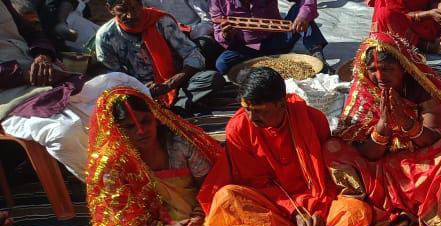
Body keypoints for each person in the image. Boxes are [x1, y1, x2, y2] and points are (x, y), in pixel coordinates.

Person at [198, 67, 373, 226]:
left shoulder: (313, 120)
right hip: (274, 208)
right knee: (226, 197)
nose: (252, 118)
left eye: (260, 111)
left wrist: (319, 214)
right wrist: (295, 215)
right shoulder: (238, 129)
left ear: (281, 103)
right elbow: (257, 183)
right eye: (247, 109)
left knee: (357, 211)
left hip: (317, 201)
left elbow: (329, 175)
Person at [325, 33, 441, 226]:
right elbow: (365, 153)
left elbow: (435, 136)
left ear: (403, 66)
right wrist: (383, 125)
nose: (380, 78)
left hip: (425, 161)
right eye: (373, 70)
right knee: (331, 149)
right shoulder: (362, 91)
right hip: (382, 171)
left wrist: (406, 122)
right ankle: (420, 195)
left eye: (387, 69)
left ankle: (403, 202)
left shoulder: (420, 87)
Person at [85, 87, 221, 226]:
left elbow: (210, 186)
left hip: (200, 223)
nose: (141, 131)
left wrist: (197, 218)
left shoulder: (179, 146)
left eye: (145, 121)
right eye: (130, 126)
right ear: (116, 129)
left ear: (156, 117)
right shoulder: (112, 165)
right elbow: (123, 219)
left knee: (234, 208)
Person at [95, 0, 235, 115]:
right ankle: (175, 109)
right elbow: (111, 77)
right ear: (110, 9)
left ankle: (167, 111)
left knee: (211, 78)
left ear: (140, 3)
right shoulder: (105, 37)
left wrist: (169, 84)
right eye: (122, 10)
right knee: (117, 106)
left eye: (134, 8)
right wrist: (139, 88)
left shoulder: (161, 21)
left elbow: (193, 55)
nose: (130, 15)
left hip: (176, 83)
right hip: (139, 93)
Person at [208, 0, 327, 75]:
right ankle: (260, 61)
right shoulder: (218, 2)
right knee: (222, 64)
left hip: (277, 39)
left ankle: (318, 56)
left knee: (302, 13)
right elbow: (219, 33)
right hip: (246, 47)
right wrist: (226, 34)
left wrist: (302, 17)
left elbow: (307, 2)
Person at [0, 0, 70, 114]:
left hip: (41, 70)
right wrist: (25, 75)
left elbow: (32, 33)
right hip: (11, 94)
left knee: (100, 98)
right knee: (64, 129)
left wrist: (43, 55)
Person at [371, 0, 441, 54]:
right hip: (402, 22)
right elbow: (400, 15)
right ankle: (423, 45)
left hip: (426, 17)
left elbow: (430, 2)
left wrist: (438, 5)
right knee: (386, 15)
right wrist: (428, 14)